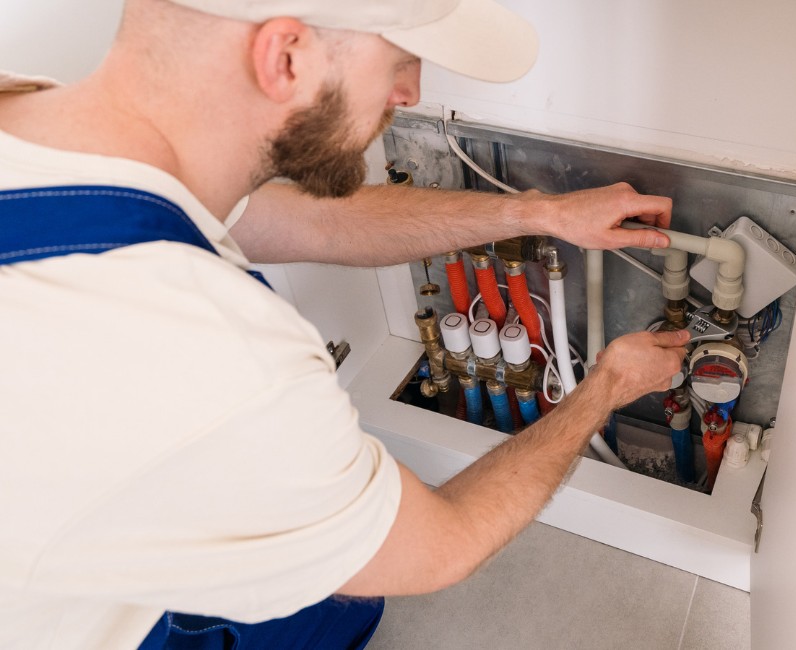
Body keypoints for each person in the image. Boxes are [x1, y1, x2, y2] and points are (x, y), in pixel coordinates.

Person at [0, 0, 689, 648]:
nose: (411, 92)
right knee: (340, 606)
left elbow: (318, 221)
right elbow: (438, 545)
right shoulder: (219, 353)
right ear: (286, 58)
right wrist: (605, 387)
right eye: (397, 58)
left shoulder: (46, 124)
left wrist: (536, 212)